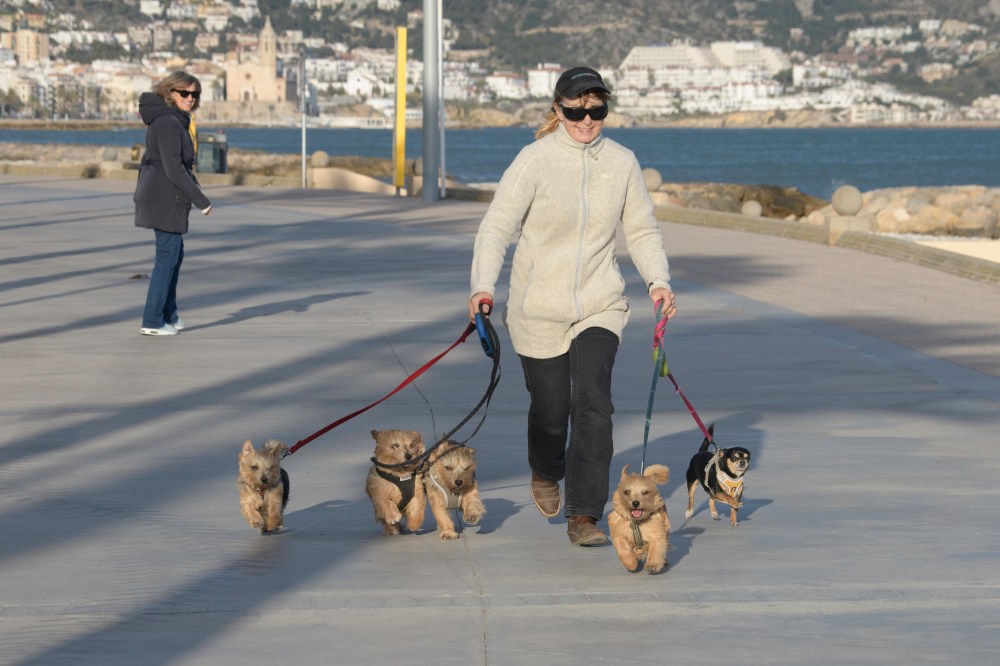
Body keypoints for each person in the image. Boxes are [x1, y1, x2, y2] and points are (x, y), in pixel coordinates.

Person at [467, 67, 677, 546]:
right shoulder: (533, 160)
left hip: (600, 303)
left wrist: (657, 280)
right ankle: (545, 468)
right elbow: (496, 226)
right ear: (557, 108)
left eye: (597, 109)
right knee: (551, 409)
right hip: (537, 307)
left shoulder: (622, 162)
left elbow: (641, 229)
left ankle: (584, 515)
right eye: (577, 109)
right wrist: (482, 286)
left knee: (594, 407)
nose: (587, 119)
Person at [134, 70, 212, 336]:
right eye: (184, 93)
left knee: (174, 256)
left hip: (167, 196)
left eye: (195, 94)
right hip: (164, 197)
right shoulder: (168, 122)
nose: (190, 98)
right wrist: (201, 200)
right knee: (167, 257)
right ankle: (152, 321)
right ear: (170, 93)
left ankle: (169, 315)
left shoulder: (174, 120)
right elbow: (174, 168)